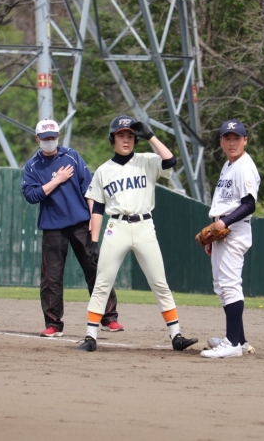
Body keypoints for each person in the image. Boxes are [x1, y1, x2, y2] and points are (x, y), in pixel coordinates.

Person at [75, 115, 198, 352]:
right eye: (121, 135)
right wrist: (93, 241)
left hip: (144, 226)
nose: (126, 139)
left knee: (159, 283)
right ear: (112, 139)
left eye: (130, 135)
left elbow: (170, 160)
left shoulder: (147, 161)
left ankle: (176, 336)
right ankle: (90, 336)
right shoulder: (103, 171)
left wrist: (150, 135)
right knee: (102, 282)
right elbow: (98, 207)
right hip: (117, 227)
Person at [22, 119, 123, 338]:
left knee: (96, 269)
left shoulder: (72, 156)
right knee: (51, 278)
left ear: (58, 136)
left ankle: (109, 317)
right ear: (37, 138)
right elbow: (31, 195)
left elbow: (90, 189)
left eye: (53, 137)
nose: (50, 141)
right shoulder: (32, 166)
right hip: (52, 227)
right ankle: (53, 324)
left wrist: (93, 218)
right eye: (46, 138)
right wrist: (57, 180)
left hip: (81, 223)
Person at [200, 119, 260, 358]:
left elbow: (249, 204)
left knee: (230, 285)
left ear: (245, 140)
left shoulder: (244, 167)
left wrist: (223, 223)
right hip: (223, 233)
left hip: (233, 231)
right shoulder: (229, 165)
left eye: (237, 138)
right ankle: (239, 340)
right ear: (221, 142)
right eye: (228, 138)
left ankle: (232, 343)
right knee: (222, 286)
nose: (232, 143)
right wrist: (214, 235)